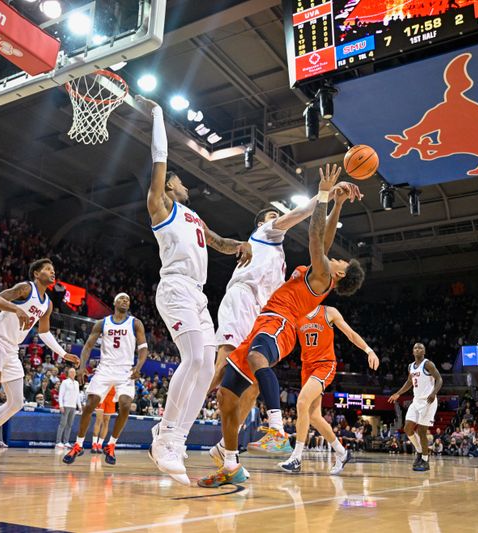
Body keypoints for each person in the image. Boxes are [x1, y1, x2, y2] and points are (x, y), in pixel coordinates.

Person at [198, 165, 364, 488]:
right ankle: (229, 462)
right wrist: (338, 203)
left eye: (342, 261)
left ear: (340, 274)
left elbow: (317, 237)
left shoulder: (322, 275)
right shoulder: (322, 270)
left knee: (258, 358)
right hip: (266, 319)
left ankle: (277, 428)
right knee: (228, 395)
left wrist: (326, 195)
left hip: (281, 323)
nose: (337, 257)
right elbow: (324, 241)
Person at [137, 95, 253, 485]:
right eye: (180, 179)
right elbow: (159, 160)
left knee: (206, 368)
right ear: (169, 185)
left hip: (200, 295)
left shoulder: (193, 216)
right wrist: (157, 116)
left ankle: (175, 439)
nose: (185, 183)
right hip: (174, 288)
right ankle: (165, 435)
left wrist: (240, 245)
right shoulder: (160, 204)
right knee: (192, 358)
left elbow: (218, 242)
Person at [0, 258, 79, 471]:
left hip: (12, 350)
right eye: (48, 269)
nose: (52, 273)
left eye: (53, 270)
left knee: (16, 403)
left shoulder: (47, 303)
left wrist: (63, 353)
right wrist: (16, 309)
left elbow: (43, 332)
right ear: (36, 274)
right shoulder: (25, 288)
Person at [278, 305, 379, 475]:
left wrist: (369, 350)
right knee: (314, 417)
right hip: (307, 368)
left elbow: (350, 334)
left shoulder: (329, 312)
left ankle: (296, 458)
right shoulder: (297, 313)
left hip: (325, 365)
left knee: (301, 402)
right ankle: (342, 452)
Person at [64, 293, 148, 466]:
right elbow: (87, 346)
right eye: (122, 298)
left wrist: (138, 367)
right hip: (104, 369)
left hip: (125, 370)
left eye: (128, 299)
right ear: (114, 302)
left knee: (125, 405)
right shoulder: (102, 323)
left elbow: (143, 348)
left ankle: (111, 445)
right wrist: (81, 367)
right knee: (90, 404)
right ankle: (78, 445)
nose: (126, 300)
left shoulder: (135, 323)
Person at [387, 343, 444, 472]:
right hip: (416, 401)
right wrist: (398, 393)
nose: (418, 349)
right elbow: (409, 382)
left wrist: (433, 393)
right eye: (415, 348)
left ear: (424, 351)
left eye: (420, 348)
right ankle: (419, 451)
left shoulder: (428, 364)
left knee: (422, 431)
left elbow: (439, 379)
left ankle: (425, 459)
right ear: (413, 352)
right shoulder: (410, 366)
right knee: (407, 428)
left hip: (428, 401)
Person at [55, 367, 81, 448]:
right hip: (66, 405)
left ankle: (66, 441)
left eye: (74, 372)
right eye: (71, 372)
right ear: (68, 373)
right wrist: (61, 405)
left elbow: (77, 395)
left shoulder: (76, 383)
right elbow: (61, 394)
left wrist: (79, 406)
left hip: (73, 406)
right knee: (62, 424)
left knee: (69, 424)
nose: (73, 373)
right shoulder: (65, 382)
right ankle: (58, 442)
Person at [91, 387, 116, 453]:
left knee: (106, 421)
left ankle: (100, 444)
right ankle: (94, 444)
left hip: (111, 397)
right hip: (102, 395)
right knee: (99, 419)